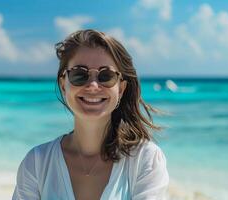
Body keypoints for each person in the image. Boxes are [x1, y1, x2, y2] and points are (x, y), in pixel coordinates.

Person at [12, 29, 169, 200]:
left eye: (106, 76)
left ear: (121, 88)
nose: (93, 86)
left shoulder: (145, 159)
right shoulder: (37, 163)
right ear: (64, 85)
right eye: (79, 74)